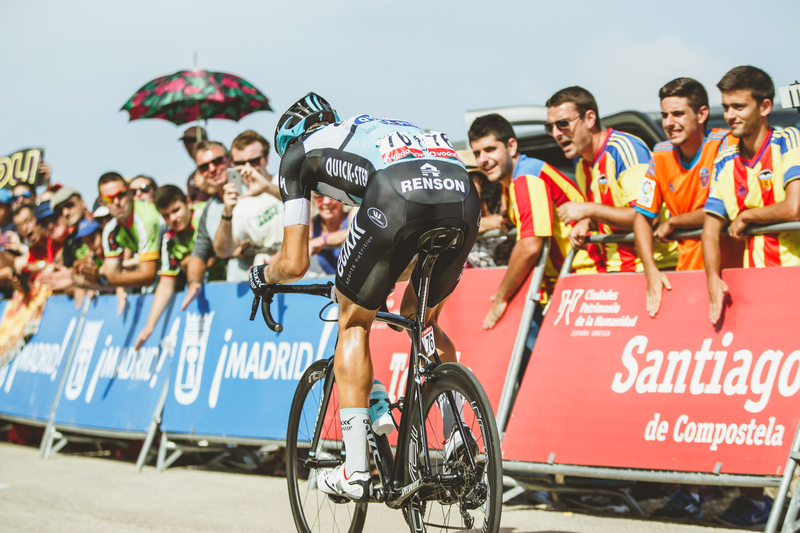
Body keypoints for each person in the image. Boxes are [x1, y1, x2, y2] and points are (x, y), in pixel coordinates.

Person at [251, 93, 480, 501]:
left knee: (352, 318)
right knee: (419, 317)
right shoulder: (372, 128)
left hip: (395, 195)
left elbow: (293, 262)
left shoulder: (296, 155)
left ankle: (356, 469)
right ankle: (456, 434)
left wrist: (262, 275)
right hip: (462, 194)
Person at [701, 65, 800, 528]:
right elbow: (711, 225)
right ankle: (756, 499)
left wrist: (752, 213)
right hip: (760, 291)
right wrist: (712, 277)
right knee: (756, 399)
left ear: (764, 106)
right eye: (725, 107)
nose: (730, 115)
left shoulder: (787, 143)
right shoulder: (725, 159)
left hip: (794, 283)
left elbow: (795, 206)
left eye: (738, 106)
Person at [468, 113, 592, 330]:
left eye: (490, 149)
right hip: (560, 284)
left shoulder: (526, 177)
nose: (482, 160)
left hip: (583, 280)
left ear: (512, 146)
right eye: (477, 153)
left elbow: (530, 245)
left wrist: (501, 297)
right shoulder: (512, 182)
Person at [633, 78, 738, 319]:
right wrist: (651, 271)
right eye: (665, 115)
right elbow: (641, 218)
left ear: (702, 114)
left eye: (678, 114)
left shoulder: (726, 144)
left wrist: (675, 221)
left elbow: (725, 210)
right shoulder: (659, 155)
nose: (669, 123)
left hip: (732, 277)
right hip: (687, 277)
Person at [546, 86, 675, 272]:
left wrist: (588, 210)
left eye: (563, 123)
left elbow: (648, 217)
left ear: (590, 118)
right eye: (550, 127)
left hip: (656, 268)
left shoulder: (626, 149)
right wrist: (587, 221)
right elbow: (609, 214)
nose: (556, 134)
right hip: (615, 271)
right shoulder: (580, 162)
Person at [133, 185, 222, 349]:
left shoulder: (206, 213)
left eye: (176, 210)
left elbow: (222, 251)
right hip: (207, 294)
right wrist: (149, 327)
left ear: (188, 202)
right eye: (166, 216)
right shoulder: (169, 240)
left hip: (229, 284)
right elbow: (166, 285)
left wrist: (193, 263)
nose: (173, 218)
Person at [73, 172, 165, 291]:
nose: (116, 202)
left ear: (130, 193)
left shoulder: (145, 217)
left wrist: (100, 279)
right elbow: (110, 277)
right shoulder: (111, 229)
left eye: (121, 194)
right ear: (102, 203)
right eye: (109, 198)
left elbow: (148, 275)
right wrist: (76, 280)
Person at [213, 130, 284, 281]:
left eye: (254, 162)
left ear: (266, 158)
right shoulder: (238, 201)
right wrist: (227, 211)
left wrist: (267, 188)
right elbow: (224, 251)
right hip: (264, 271)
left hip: (293, 264)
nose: (248, 168)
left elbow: (308, 203)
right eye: (239, 164)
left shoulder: (284, 181)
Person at [181, 141, 230, 310]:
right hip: (235, 289)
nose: (212, 169)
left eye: (217, 161)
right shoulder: (209, 210)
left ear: (229, 159)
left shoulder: (255, 188)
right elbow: (199, 254)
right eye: (204, 167)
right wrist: (194, 281)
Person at [307, 194, 354, 276]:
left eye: (332, 196)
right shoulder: (312, 223)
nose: (326, 202)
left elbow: (350, 233)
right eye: (319, 196)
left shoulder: (352, 215)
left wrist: (322, 240)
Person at [181, 126, 212, 205]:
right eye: (186, 143)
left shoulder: (222, 166)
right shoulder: (191, 178)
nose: (189, 146)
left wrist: (209, 187)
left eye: (192, 141)